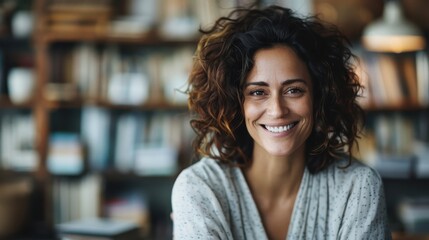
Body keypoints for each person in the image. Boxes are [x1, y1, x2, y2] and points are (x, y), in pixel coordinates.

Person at [171, 5, 391, 240]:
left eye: (294, 90)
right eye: (258, 92)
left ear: (319, 98)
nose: (277, 110)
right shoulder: (200, 188)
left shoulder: (358, 188)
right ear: (235, 103)